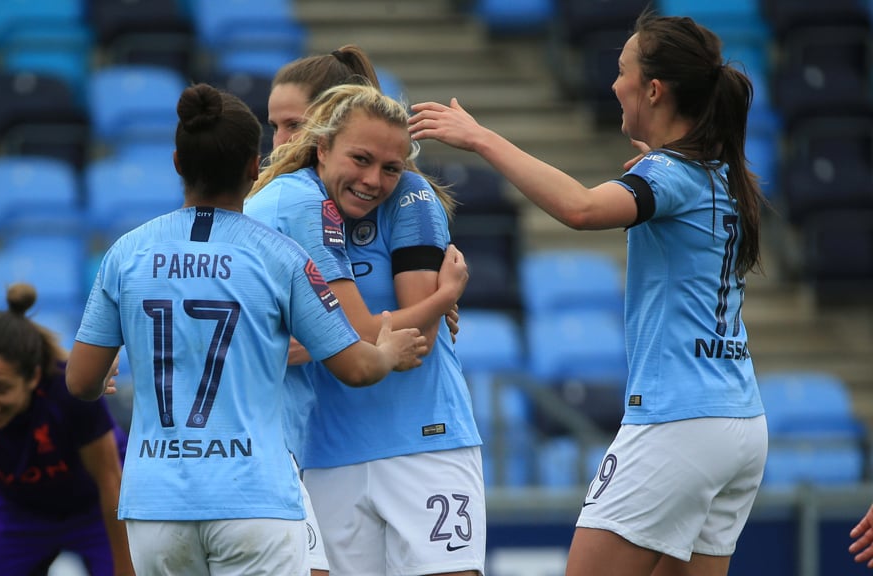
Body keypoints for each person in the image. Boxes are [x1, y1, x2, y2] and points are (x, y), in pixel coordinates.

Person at [410, 11, 770, 576]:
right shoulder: (720, 173)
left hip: (677, 422)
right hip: (740, 425)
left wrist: (481, 138)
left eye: (622, 70)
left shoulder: (670, 175)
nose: (613, 82)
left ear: (653, 89)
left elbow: (579, 208)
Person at [65, 82, 430, 576]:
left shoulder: (126, 253)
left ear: (177, 162)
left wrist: (105, 369)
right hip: (253, 498)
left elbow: (81, 383)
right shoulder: (281, 257)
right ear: (253, 167)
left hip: (155, 507)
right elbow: (356, 369)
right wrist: (386, 350)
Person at [248, 79, 484, 576]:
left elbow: (420, 339)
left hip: (426, 440)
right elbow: (354, 331)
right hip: (327, 450)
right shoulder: (293, 203)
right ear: (323, 146)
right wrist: (444, 298)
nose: (375, 180)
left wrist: (316, 340)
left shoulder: (414, 199)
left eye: (390, 167)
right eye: (361, 160)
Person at [0, 282, 134, 576]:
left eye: (1, 389)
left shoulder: (69, 392)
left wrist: (125, 571)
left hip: (98, 510)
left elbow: (109, 480)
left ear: (33, 378)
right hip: (17, 512)